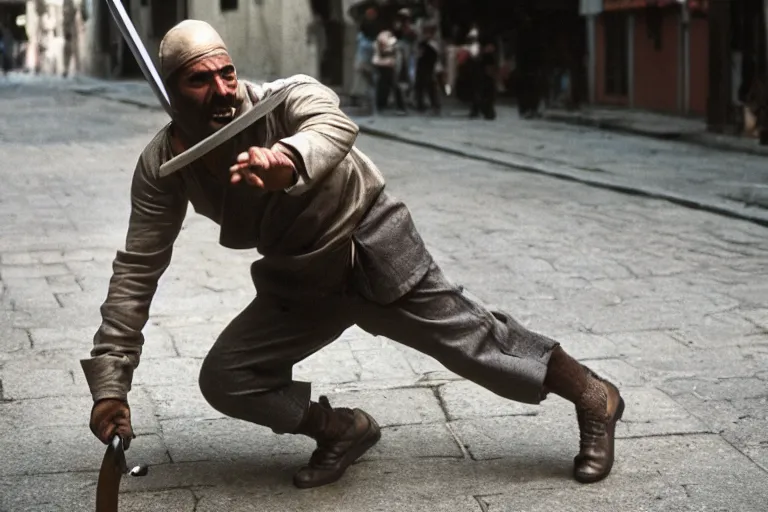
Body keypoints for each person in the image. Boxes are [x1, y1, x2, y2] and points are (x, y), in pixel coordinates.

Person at [82, 20, 624, 491]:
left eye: (226, 72)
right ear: (172, 89)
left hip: (370, 242)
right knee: (229, 376)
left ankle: (594, 396)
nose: (222, 89)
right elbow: (137, 269)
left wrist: (287, 161)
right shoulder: (162, 165)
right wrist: (111, 385)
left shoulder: (284, 95)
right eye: (199, 80)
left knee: (477, 343)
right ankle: (341, 429)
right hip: (301, 276)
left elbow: (332, 124)